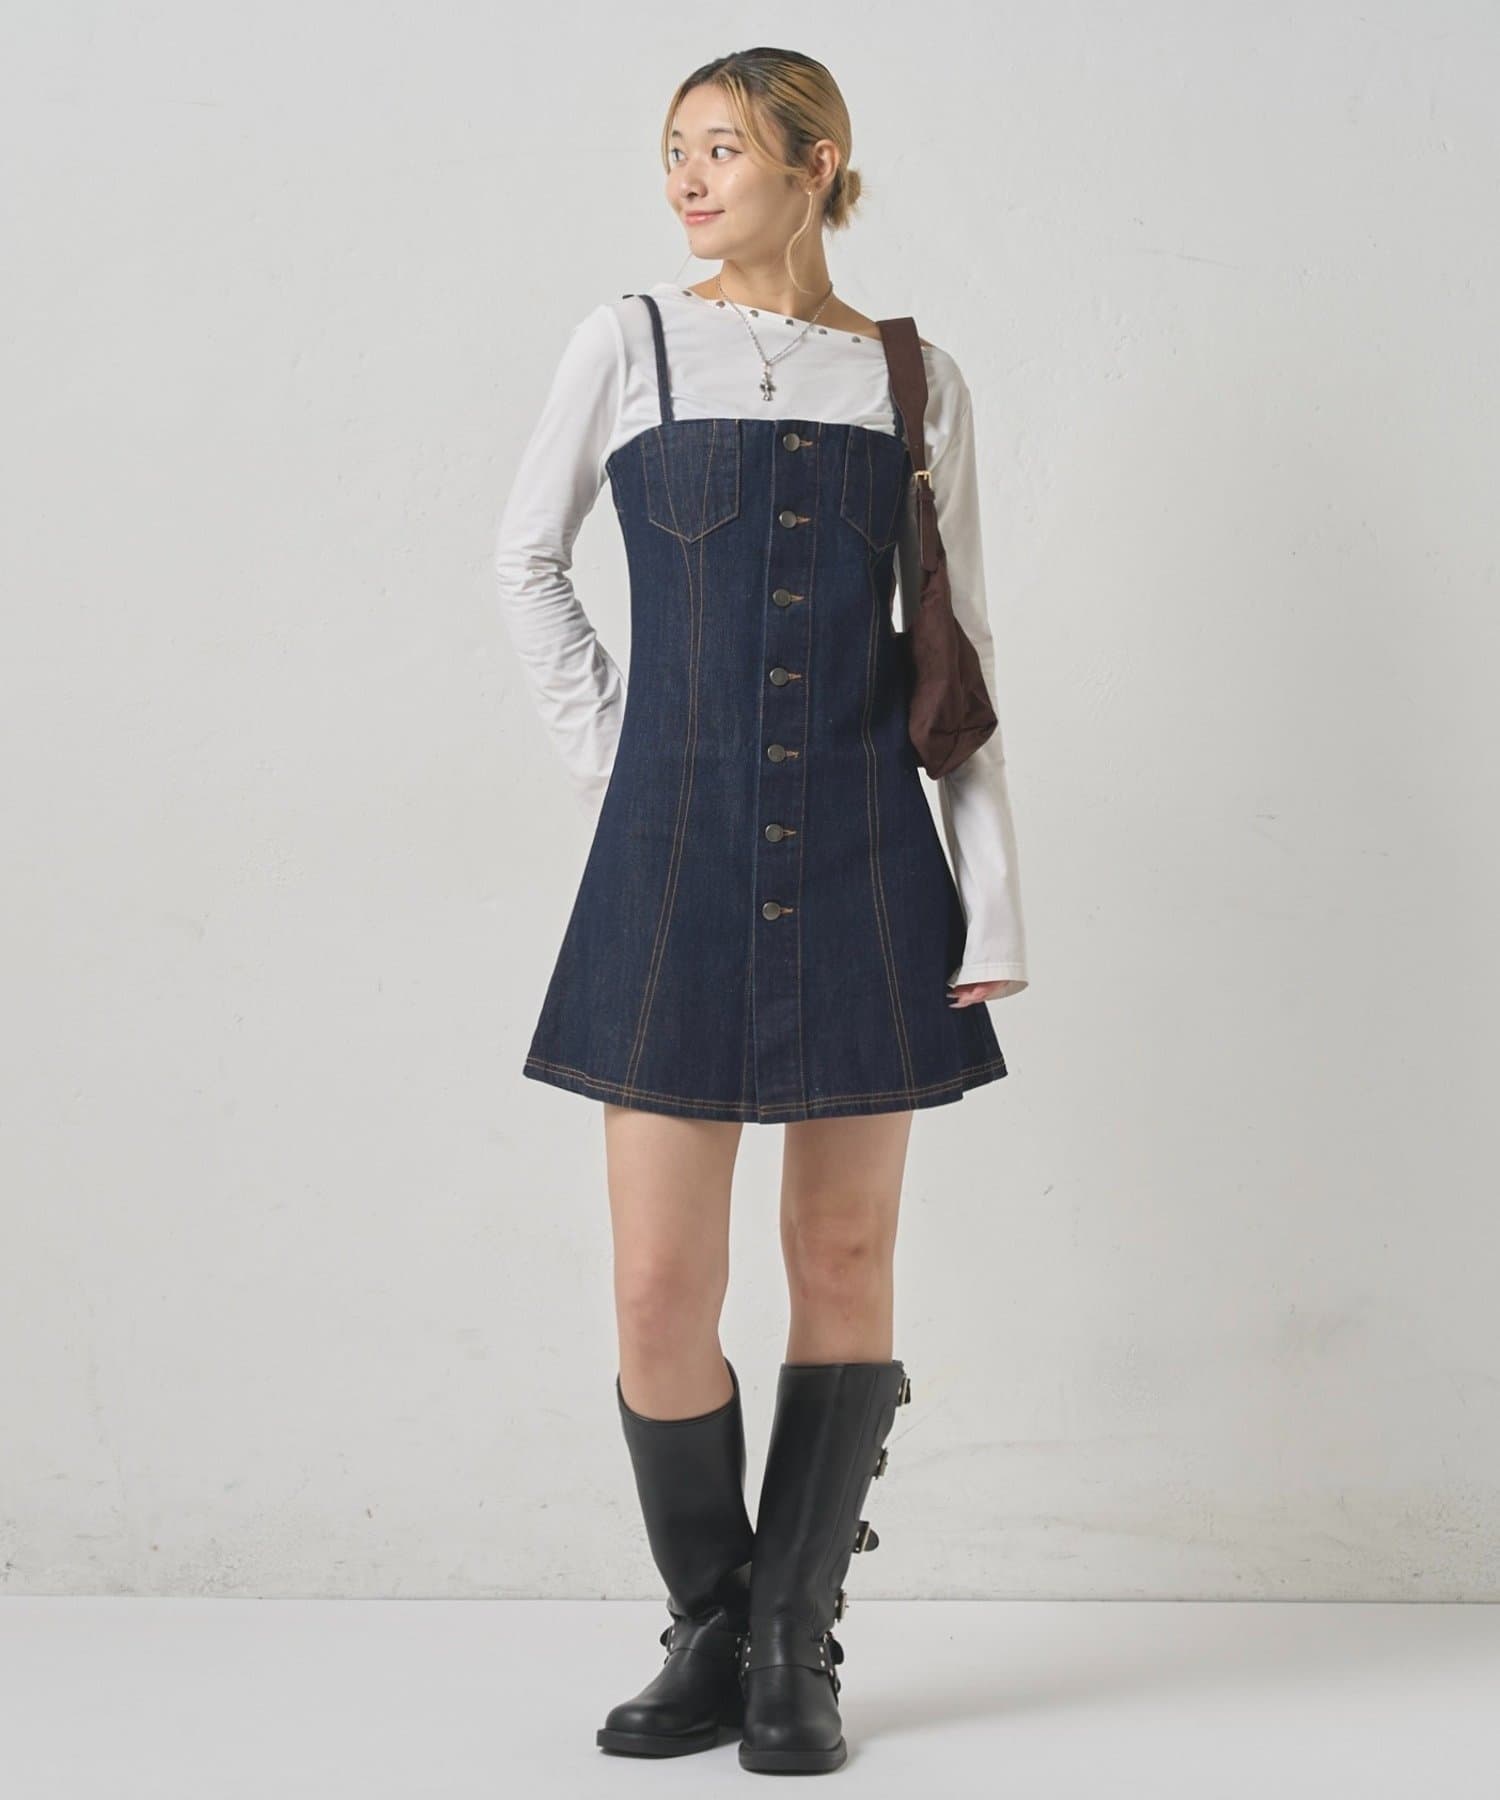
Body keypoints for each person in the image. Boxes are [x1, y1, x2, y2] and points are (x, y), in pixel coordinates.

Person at [493, 47, 1028, 1775]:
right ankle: (714, 1622)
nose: (688, 177)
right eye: (674, 150)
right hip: (670, 858)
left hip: (868, 858)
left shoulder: (913, 379)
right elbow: (524, 558)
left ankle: (794, 1644)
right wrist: (622, 754)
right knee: (661, 1284)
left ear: (817, 161)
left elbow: (958, 657)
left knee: (844, 1258)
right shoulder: (629, 344)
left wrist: (993, 904)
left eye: (721, 147)